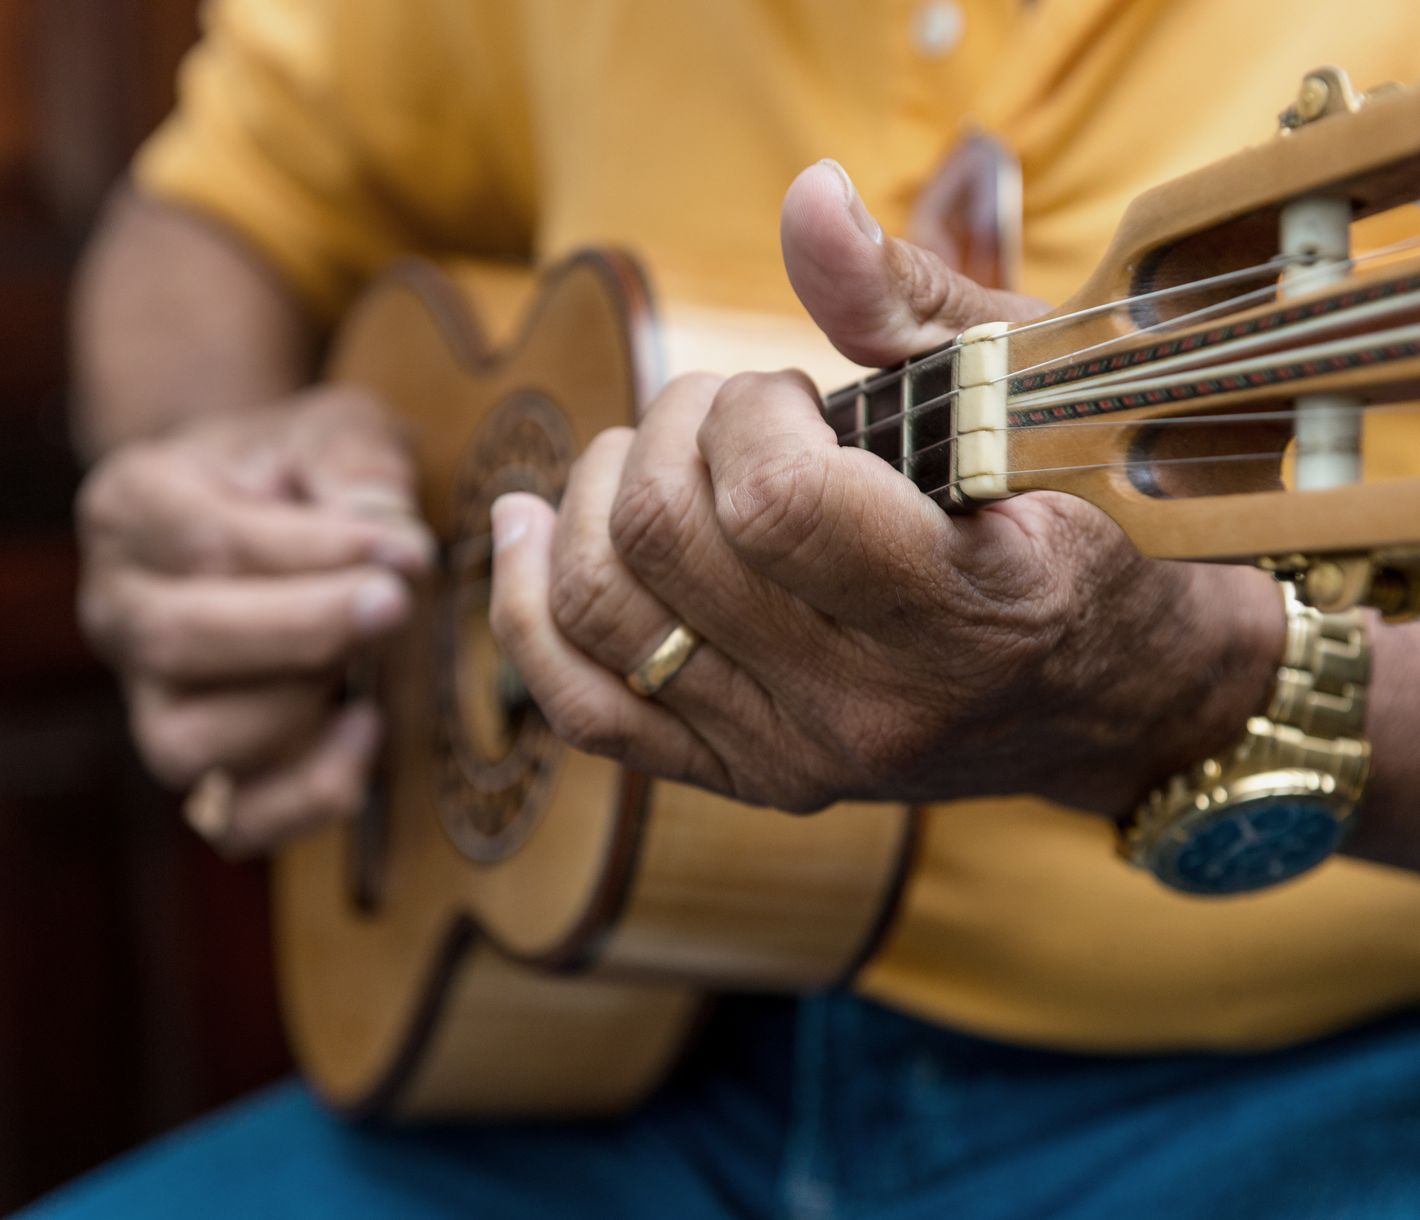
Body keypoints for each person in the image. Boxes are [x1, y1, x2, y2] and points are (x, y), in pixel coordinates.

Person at [41, 0, 1420, 1215]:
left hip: (1314, 1077)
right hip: (618, 1066)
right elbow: (214, 216)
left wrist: (1192, 683)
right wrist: (210, 484)